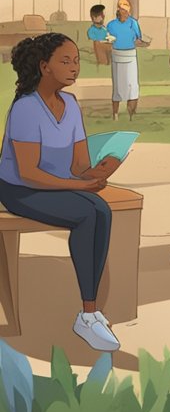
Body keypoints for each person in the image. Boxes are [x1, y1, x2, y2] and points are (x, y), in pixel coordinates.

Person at [0, 34, 124, 351]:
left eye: (76, 60)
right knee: (86, 213)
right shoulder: (26, 108)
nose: (74, 68)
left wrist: (99, 169)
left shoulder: (69, 104)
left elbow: (80, 163)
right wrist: (81, 185)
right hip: (19, 190)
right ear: (44, 67)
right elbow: (28, 173)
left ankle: (91, 311)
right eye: (65, 61)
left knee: (102, 210)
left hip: (56, 184)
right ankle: (87, 313)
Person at [106, 0, 145, 121]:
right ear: (118, 10)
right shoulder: (111, 25)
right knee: (117, 87)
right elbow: (107, 39)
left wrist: (142, 43)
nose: (124, 12)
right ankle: (115, 114)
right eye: (122, 8)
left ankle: (131, 115)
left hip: (130, 55)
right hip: (117, 55)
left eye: (126, 9)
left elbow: (138, 39)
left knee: (132, 86)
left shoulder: (133, 23)